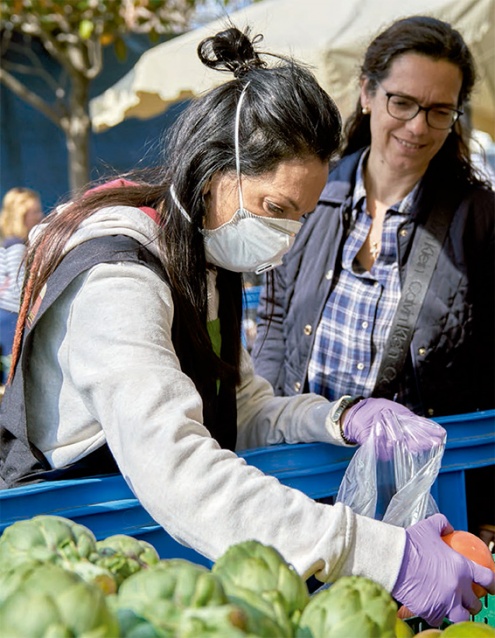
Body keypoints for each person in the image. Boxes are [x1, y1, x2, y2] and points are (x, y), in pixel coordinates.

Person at [0, 26, 493, 627]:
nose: (284, 239)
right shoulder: (118, 280)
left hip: (164, 550)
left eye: (299, 218)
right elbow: (176, 467)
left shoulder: (205, 258)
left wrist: (338, 418)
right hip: (75, 560)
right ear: (214, 170)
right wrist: (384, 556)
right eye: (275, 210)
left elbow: (241, 407)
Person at [251, 15, 495, 539]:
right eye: (401, 102)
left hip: (420, 493)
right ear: (367, 93)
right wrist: (263, 425)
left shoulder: (478, 218)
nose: (417, 127)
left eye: (439, 111)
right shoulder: (314, 188)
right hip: (304, 476)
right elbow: (273, 317)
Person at [0, 187, 42, 385]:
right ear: (22, 216)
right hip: (10, 314)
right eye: (35, 212)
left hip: (5, 313)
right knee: (12, 369)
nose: (40, 216)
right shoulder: (17, 246)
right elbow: (19, 285)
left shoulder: (7, 243)